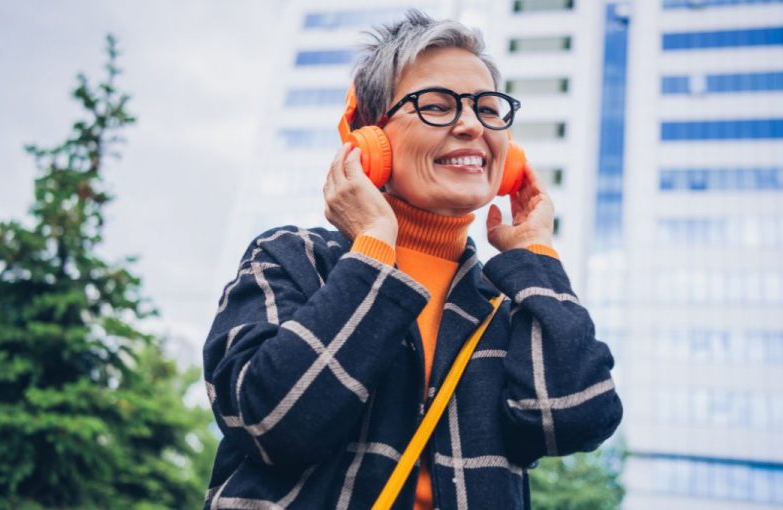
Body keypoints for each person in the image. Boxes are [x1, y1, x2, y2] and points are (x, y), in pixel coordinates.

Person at [202, 10, 622, 510]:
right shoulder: (291, 258)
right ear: (370, 141)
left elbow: (573, 419)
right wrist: (374, 250)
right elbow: (272, 421)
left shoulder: (506, 308)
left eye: (489, 109)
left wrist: (535, 254)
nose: (472, 125)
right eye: (437, 106)